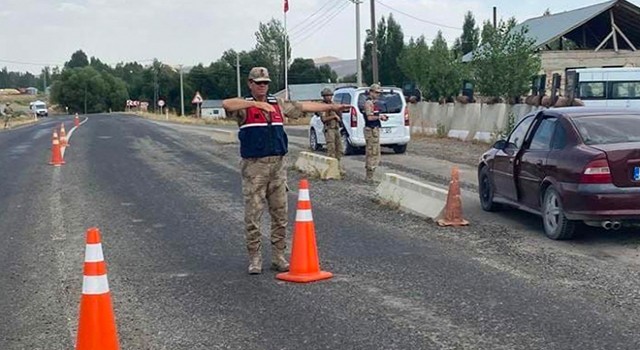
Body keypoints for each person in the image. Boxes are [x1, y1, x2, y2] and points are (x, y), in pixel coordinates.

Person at [222, 67, 349, 275]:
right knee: (253, 214)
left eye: (266, 82)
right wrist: (255, 104)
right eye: (259, 82)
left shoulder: (278, 104)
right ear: (250, 83)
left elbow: (303, 106)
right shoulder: (244, 107)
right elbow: (226, 104)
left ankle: (279, 256)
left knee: (280, 213)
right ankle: (255, 258)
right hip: (255, 166)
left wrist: (333, 106)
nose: (263, 86)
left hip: (278, 165)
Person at [363, 84, 388, 181]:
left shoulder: (374, 103)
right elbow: (369, 117)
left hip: (375, 129)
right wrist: (379, 117)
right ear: (371, 92)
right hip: (371, 130)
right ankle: (369, 176)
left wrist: (381, 116)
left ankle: (372, 175)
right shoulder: (368, 103)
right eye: (376, 92)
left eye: (379, 93)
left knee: (376, 152)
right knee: (371, 152)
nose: (378, 95)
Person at [319, 88, 345, 175]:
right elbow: (324, 119)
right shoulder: (323, 107)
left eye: (330, 95)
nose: (329, 97)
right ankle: (331, 169)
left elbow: (340, 116)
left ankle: (337, 167)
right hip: (329, 129)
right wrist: (333, 117)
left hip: (336, 128)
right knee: (331, 149)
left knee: (339, 149)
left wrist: (338, 113)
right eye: (327, 96)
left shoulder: (333, 105)